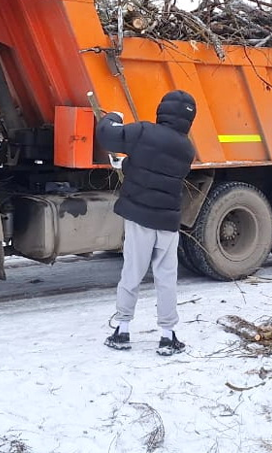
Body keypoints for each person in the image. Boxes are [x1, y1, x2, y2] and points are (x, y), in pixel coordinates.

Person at [96, 90, 197, 356]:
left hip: (140, 218)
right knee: (166, 277)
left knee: (132, 273)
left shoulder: (143, 132)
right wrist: (132, 164)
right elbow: (162, 172)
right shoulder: (187, 149)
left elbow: (107, 135)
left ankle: (122, 329)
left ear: (162, 110)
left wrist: (113, 116)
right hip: (168, 221)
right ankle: (168, 335)